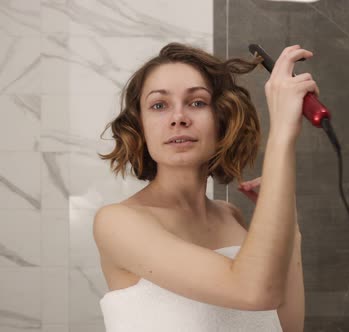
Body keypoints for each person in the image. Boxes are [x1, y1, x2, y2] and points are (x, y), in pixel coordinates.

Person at [94, 42, 318, 332]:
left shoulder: (230, 216)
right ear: (140, 126)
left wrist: (290, 225)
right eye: (159, 105)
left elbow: (286, 326)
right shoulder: (118, 222)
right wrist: (282, 131)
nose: (179, 118)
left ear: (222, 119)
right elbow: (253, 291)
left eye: (197, 102)